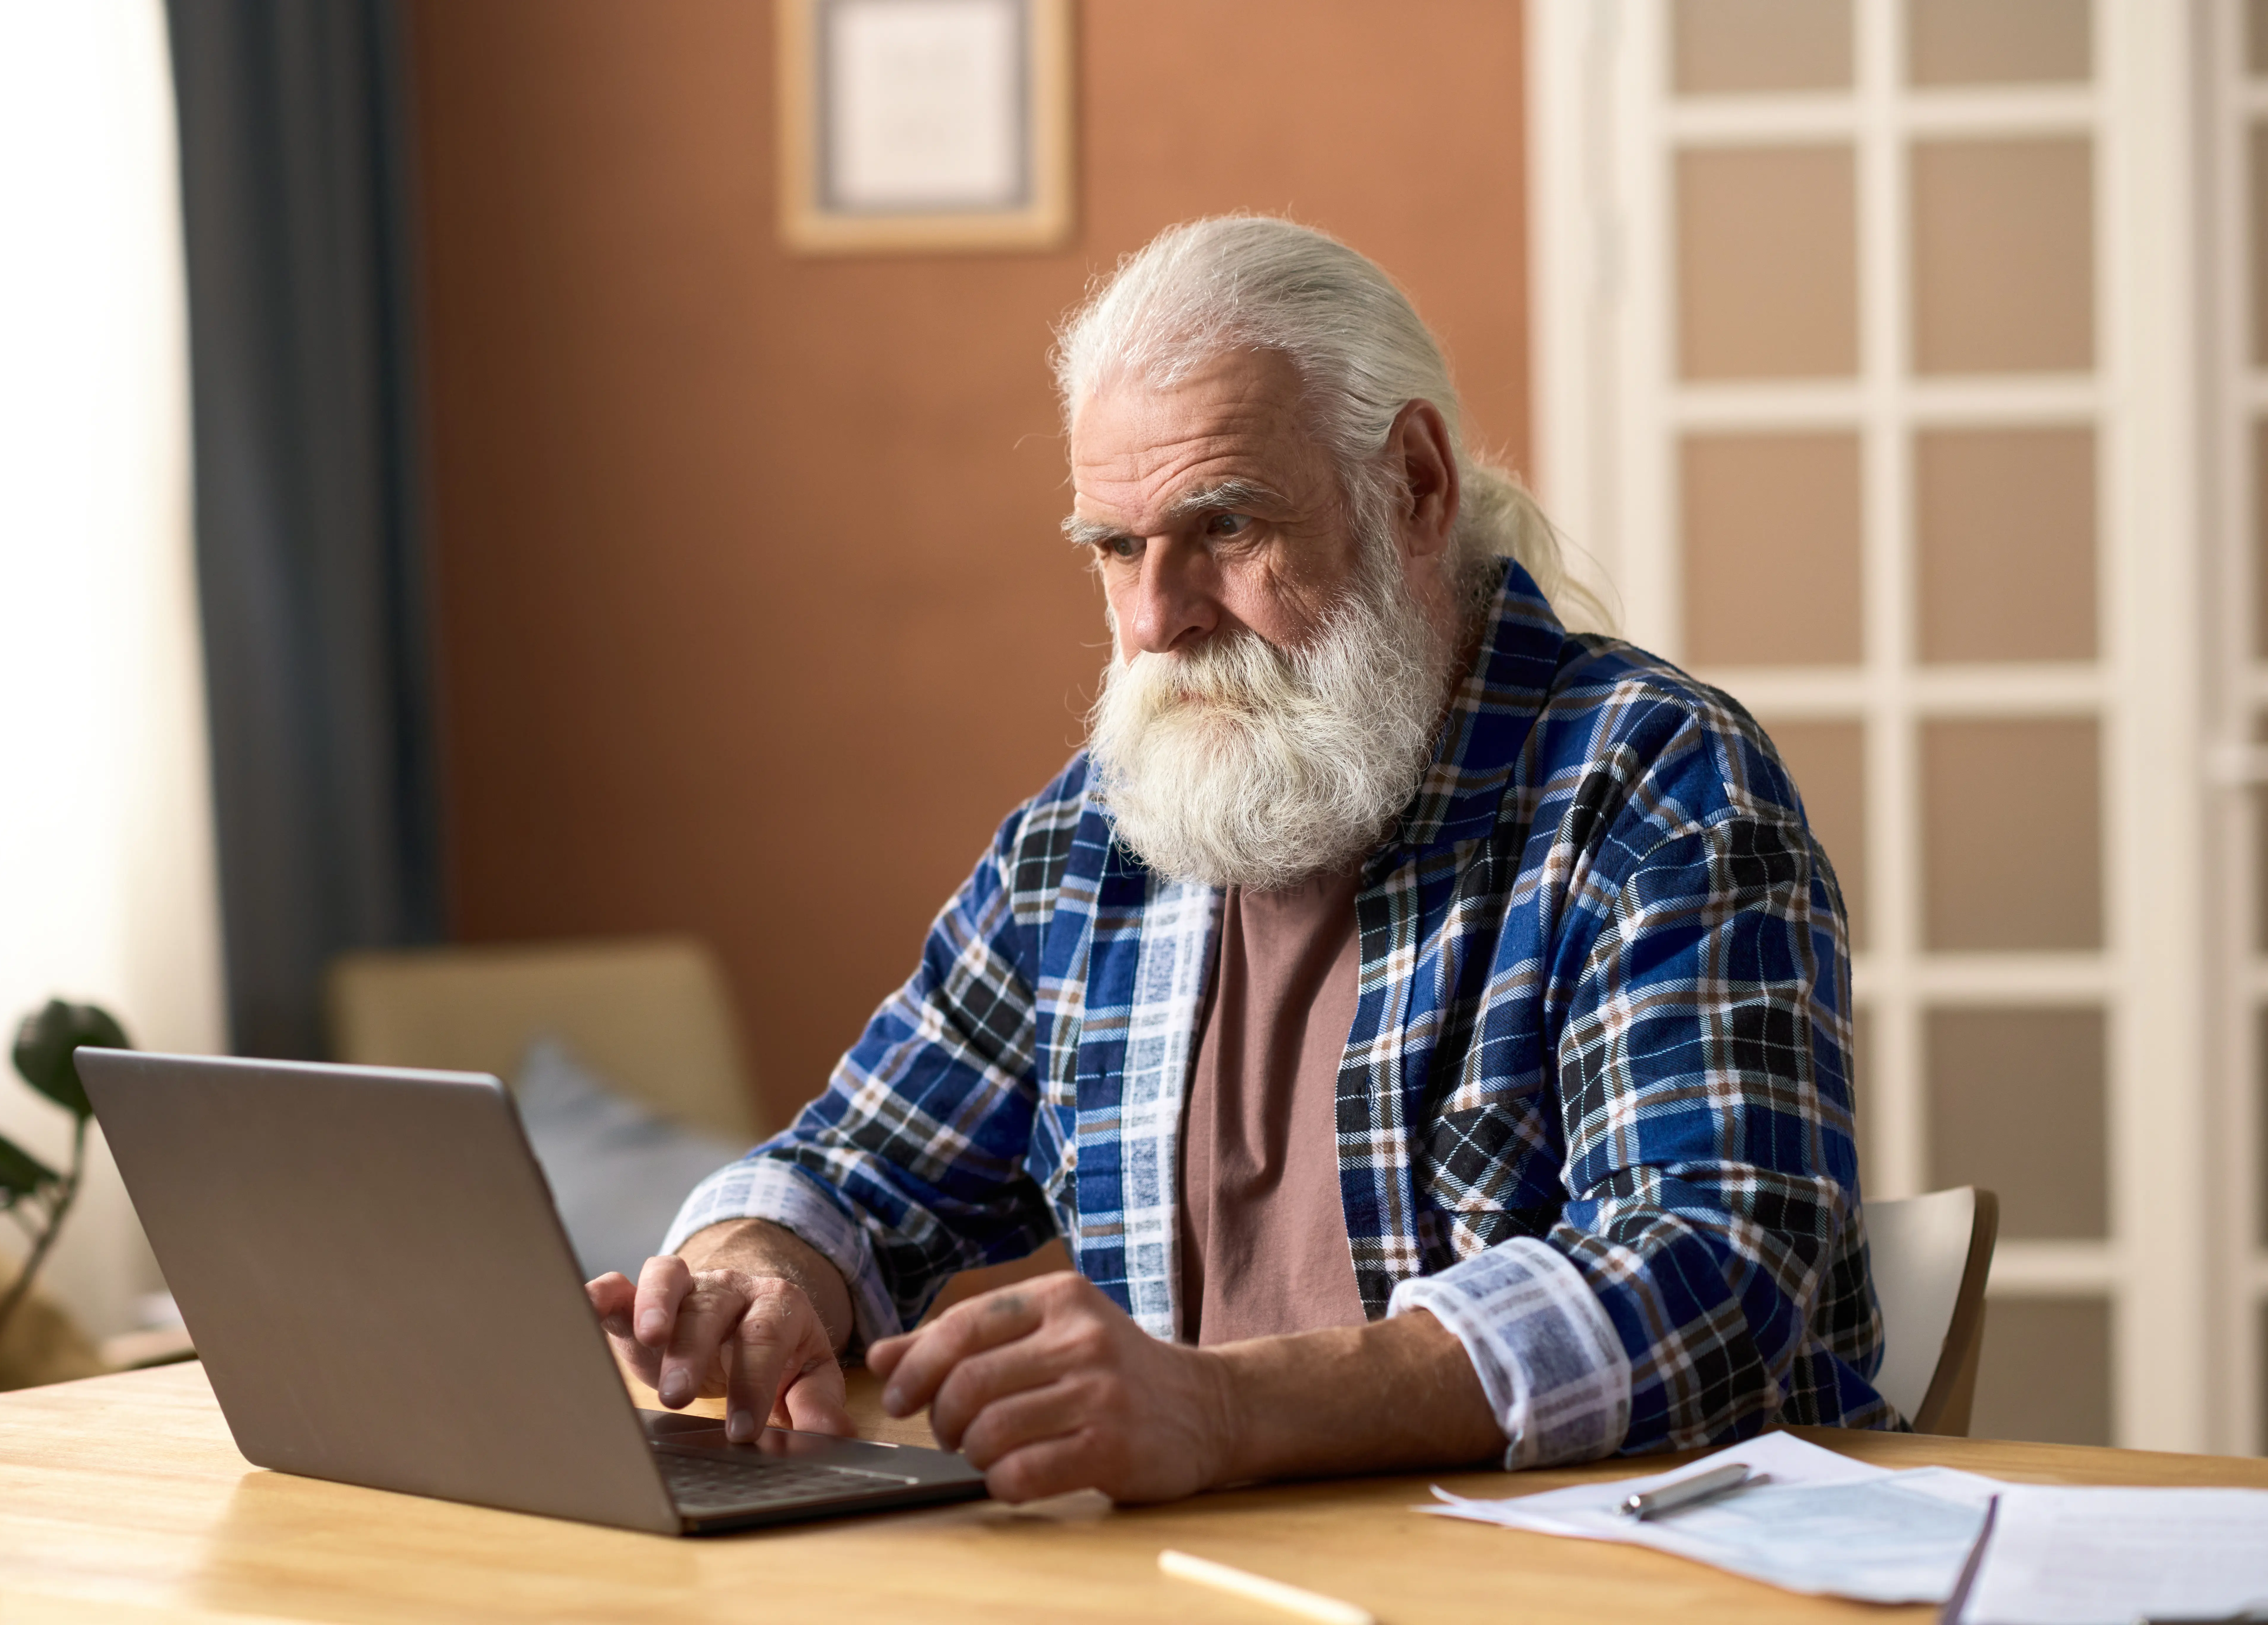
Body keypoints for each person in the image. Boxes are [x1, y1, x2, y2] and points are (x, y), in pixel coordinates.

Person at [584, 216, 1895, 1504]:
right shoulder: (1086, 843)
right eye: (1113, 547)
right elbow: (851, 1172)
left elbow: (1717, 1269)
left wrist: (1218, 1408)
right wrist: (750, 1266)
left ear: (1415, 487)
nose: (1156, 616)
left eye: (1222, 527)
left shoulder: (1655, 783)